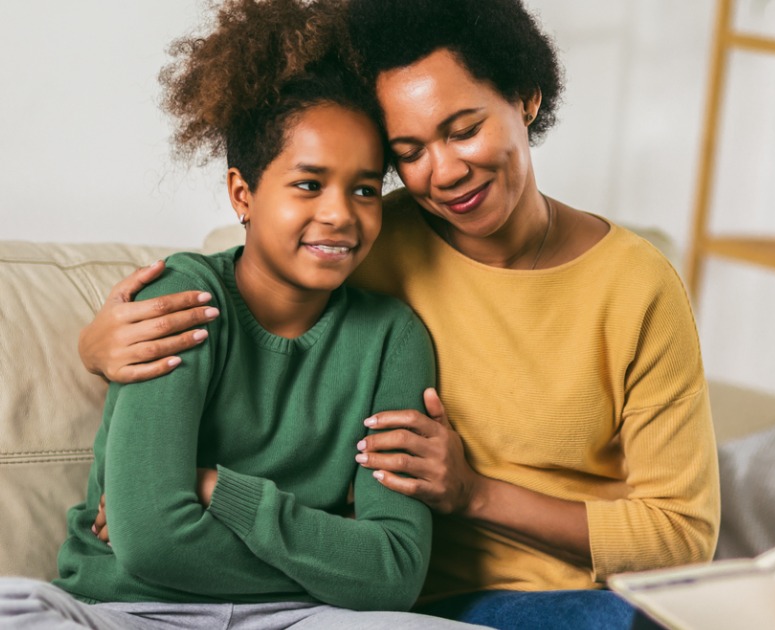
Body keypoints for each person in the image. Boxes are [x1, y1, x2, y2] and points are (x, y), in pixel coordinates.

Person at [76, 0, 721, 627]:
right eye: (408, 153)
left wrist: (474, 494)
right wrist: (100, 348)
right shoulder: (369, 241)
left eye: (464, 130)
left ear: (526, 96)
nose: (444, 173)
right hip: (383, 599)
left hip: (552, 599)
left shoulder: (636, 285)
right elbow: (254, 274)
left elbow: (682, 535)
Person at [0, 1, 480, 627]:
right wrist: (335, 560)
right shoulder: (183, 297)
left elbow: (394, 571)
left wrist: (215, 489)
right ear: (242, 194)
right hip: (126, 607)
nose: (341, 213)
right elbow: (149, 542)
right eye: (309, 184)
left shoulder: (392, 337)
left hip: (301, 617)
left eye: (365, 189)